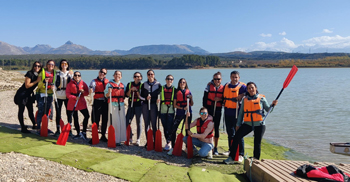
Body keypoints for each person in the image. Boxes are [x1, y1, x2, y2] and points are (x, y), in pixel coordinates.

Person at [224, 82, 278, 164]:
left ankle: (255, 159)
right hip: (247, 124)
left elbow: (268, 110)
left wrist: (273, 105)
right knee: (236, 137)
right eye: (249, 88)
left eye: (252, 87)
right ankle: (232, 157)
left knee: (257, 143)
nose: (251, 89)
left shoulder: (262, 99)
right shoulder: (245, 100)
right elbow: (241, 113)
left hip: (259, 124)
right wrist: (238, 124)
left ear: (255, 88)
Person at [222, 71, 247, 158]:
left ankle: (241, 153)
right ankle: (231, 150)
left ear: (239, 78)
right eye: (232, 77)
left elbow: (252, 92)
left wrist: (242, 94)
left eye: (236, 77)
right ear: (230, 77)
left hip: (237, 113)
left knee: (239, 133)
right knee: (230, 133)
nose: (234, 79)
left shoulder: (243, 87)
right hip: (227, 112)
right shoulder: (226, 85)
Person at [168, 78, 193, 155]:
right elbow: (175, 105)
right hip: (179, 113)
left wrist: (191, 99)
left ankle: (187, 148)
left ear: (185, 83)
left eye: (184, 82)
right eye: (181, 82)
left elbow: (191, 104)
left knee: (187, 130)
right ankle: (173, 147)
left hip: (188, 113)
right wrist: (182, 108)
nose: (182, 83)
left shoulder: (189, 92)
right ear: (179, 84)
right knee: (173, 129)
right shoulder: (176, 93)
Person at [14, 61, 41, 133]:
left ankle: (34, 124)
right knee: (21, 110)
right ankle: (23, 127)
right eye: (35, 65)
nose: (37, 67)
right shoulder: (30, 73)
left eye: (39, 66)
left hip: (29, 95)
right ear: (33, 66)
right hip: (22, 94)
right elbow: (27, 85)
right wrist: (37, 81)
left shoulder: (39, 75)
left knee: (30, 110)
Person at [202, 71, 224, 155]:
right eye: (215, 79)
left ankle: (215, 148)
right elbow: (204, 98)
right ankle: (207, 145)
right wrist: (204, 111)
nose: (217, 80)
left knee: (216, 128)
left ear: (221, 79)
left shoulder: (224, 88)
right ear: (213, 79)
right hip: (209, 109)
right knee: (208, 128)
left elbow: (225, 100)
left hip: (218, 109)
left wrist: (220, 100)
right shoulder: (208, 86)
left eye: (218, 79)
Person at [139, 70, 161, 147]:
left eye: (152, 74)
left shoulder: (158, 85)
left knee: (154, 124)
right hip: (145, 105)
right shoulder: (144, 84)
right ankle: (149, 141)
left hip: (154, 106)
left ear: (154, 75)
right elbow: (140, 96)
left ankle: (155, 141)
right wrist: (145, 98)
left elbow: (161, 95)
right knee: (147, 124)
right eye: (149, 74)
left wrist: (159, 100)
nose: (150, 75)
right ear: (147, 75)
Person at [66, 71, 90, 140]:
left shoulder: (83, 83)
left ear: (80, 76)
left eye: (78, 75)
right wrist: (74, 98)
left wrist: (83, 92)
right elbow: (68, 94)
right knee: (75, 118)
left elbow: (87, 92)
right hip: (73, 103)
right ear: (73, 76)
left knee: (87, 116)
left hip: (81, 102)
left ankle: (84, 132)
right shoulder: (70, 84)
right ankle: (78, 133)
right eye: (75, 75)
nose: (77, 77)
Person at [105, 71, 126, 146]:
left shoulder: (123, 85)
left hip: (121, 105)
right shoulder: (109, 84)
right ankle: (115, 139)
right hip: (112, 104)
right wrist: (109, 92)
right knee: (115, 121)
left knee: (121, 121)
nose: (117, 76)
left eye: (119, 75)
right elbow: (106, 95)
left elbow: (125, 94)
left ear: (121, 76)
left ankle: (121, 138)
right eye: (116, 74)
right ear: (114, 76)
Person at [36, 60, 56, 134]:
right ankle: (38, 128)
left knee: (47, 112)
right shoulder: (42, 72)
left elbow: (57, 83)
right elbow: (39, 84)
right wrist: (44, 81)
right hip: (42, 94)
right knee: (40, 111)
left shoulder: (55, 73)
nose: (51, 65)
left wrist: (54, 87)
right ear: (47, 65)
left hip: (50, 95)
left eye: (52, 64)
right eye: (49, 64)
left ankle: (45, 127)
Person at [54, 59, 73, 137]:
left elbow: (74, 83)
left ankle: (69, 130)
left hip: (67, 96)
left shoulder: (71, 74)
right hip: (58, 96)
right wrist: (53, 87)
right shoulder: (57, 74)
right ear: (60, 65)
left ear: (67, 65)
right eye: (62, 63)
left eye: (65, 63)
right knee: (58, 113)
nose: (64, 65)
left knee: (69, 113)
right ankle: (58, 130)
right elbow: (54, 83)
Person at [89, 68, 109, 142]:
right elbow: (92, 88)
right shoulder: (94, 81)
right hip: (97, 102)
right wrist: (91, 90)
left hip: (105, 102)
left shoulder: (108, 82)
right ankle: (94, 135)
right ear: (99, 72)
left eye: (104, 73)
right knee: (95, 119)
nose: (102, 74)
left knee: (105, 119)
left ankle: (103, 135)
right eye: (101, 72)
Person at [125, 72, 143, 146]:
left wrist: (137, 91)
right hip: (131, 106)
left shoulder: (142, 85)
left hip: (139, 106)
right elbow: (127, 95)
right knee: (127, 121)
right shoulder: (129, 84)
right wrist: (131, 90)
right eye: (135, 76)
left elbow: (142, 96)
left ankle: (138, 139)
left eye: (138, 77)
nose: (137, 78)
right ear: (133, 78)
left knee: (139, 122)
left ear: (141, 78)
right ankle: (130, 136)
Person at [160, 74, 176, 151]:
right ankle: (167, 141)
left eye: (171, 79)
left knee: (170, 127)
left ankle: (169, 142)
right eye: (168, 79)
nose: (169, 80)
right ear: (166, 80)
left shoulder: (175, 90)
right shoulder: (161, 88)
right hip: (162, 110)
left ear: (172, 81)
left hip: (171, 111)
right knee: (165, 127)